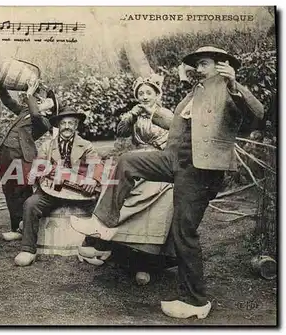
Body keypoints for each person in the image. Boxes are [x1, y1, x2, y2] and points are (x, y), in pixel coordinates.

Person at [71, 46, 264, 319]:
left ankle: (196, 301)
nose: (198, 68)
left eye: (204, 64)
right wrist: (152, 112)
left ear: (222, 66)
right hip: (174, 160)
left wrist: (236, 84)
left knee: (184, 234)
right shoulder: (193, 93)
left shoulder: (230, 92)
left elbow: (258, 116)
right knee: (128, 161)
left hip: (201, 172)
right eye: (197, 64)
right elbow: (180, 125)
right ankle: (103, 221)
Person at [73, 73, 176, 284]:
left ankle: (145, 262)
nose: (144, 97)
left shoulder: (165, 114)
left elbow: (176, 136)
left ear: (157, 94)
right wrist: (129, 116)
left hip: (160, 164)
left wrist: (154, 114)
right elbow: (120, 132)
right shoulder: (136, 115)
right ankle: (108, 247)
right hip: (135, 162)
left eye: (149, 93)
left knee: (158, 202)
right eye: (140, 93)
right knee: (115, 192)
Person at [14, 107, 103, 267]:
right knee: (31, 204)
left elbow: (97, 165)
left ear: (76, 126)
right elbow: (39, 165)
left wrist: (93, 180)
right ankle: (28, 249)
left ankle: (91, 247)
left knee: (99, 207)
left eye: (71, 123)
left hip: (77, 193)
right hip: (51, 191)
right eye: (64, 123)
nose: (67, 126)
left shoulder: (86, 145)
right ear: (58, 126)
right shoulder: (47, 146)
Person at [0, 80, 57, 241]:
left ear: (50, 111)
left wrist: (29, 94)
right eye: (39, 99)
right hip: (7, 154)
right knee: (9, 190)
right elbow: (7, 100)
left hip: (23, 157)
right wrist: (0, 82)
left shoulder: (44, 121)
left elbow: (36, 114)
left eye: (46, 102)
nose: (40, 100)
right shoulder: (24, 111)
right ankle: (17, 228)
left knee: (22, 190)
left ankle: (29, 226)